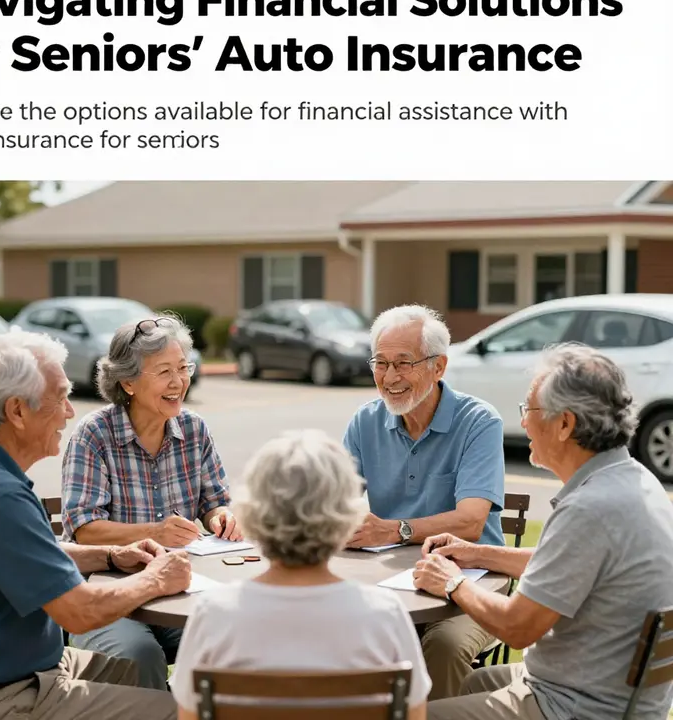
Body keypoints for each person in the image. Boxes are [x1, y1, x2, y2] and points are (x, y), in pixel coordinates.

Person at [0, 330, 193, 720]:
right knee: (189, 711)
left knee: (139, 668)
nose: (70, 412)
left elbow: (28, 554)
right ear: (17, 411)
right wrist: (157, 578)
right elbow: (80, 613)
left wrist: (109, 555)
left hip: (0, 675)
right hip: (2, 698)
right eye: (61, 397)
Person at [416, 343, 673, 720]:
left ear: (565, 423)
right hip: (607, 691)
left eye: (529, 410)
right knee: (474, 683)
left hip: (578, 707)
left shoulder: (591, 507)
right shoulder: (632, 482)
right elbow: (567, 564)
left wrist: (453, 582)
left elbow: (516, 628)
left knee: (414, 715)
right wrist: (477, 553)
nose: (523, 421)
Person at [169, 428, 432, 720]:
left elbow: (189, 715)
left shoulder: (214, 613)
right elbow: (414, 714)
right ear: (345, 517)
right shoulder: (385, 614)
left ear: (253, 513)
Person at [60, 314, 239, 690]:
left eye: (183, 368)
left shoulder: (194, 429)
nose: (179, 382)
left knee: (236, 641)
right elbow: (83, 530)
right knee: (139, 656)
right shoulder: (94, 435)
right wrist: (155, 531)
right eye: (163, 372)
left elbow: (216, 502)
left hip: (183, 591)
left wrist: (222, 516)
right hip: (110, 599)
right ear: (127, 382)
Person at [343, 304, 505, 700]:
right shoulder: (365, 421)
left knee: (445, 647)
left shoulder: (479, 422)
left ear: (439, 366)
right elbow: (333, 502)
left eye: (404, 363)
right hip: (386, 587)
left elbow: (470, 522)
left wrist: (394, 530)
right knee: (337, 636)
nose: (390, 377)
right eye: (381, 363)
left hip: (471, 585)